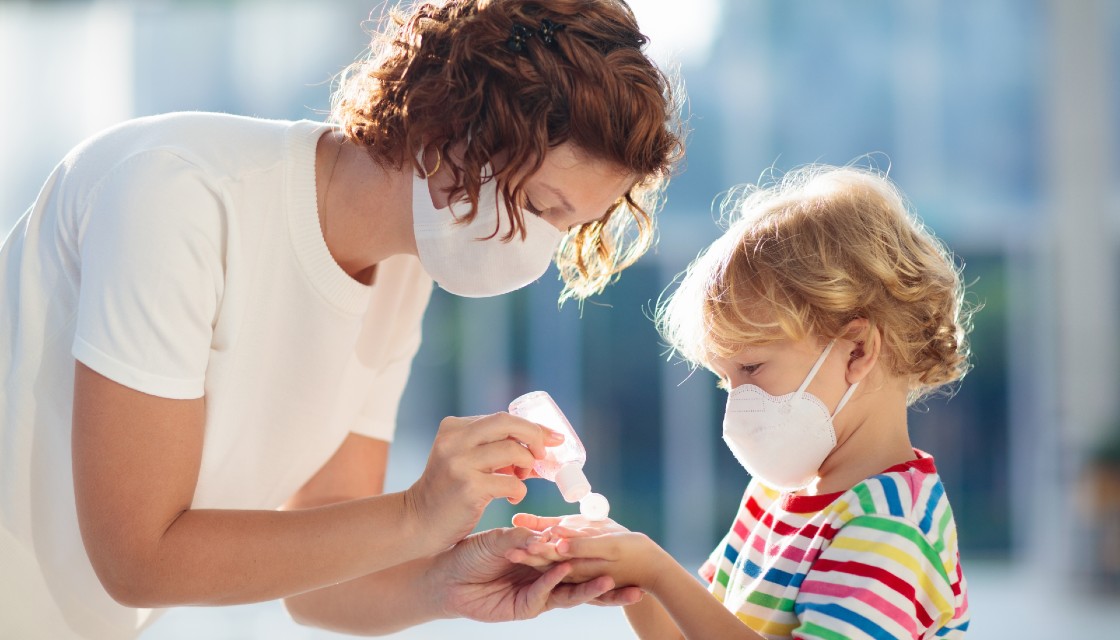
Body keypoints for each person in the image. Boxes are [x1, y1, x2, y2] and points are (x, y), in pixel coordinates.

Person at [0, 0, 682, 637]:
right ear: (452, 126)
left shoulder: (404, 267)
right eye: (541, 208)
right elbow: (138, 560)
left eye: (570, 227)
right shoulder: (177, 195)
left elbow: (321, 587)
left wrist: (455, 582)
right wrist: (415, 514)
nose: (543, 250)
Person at [509, 165, 973, 638]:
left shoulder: (889, 528)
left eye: (751, 369)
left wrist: (657, 571)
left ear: (857, 350)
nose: (737, 405)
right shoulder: (775, 496)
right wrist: (627, 572)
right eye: (726, 380)